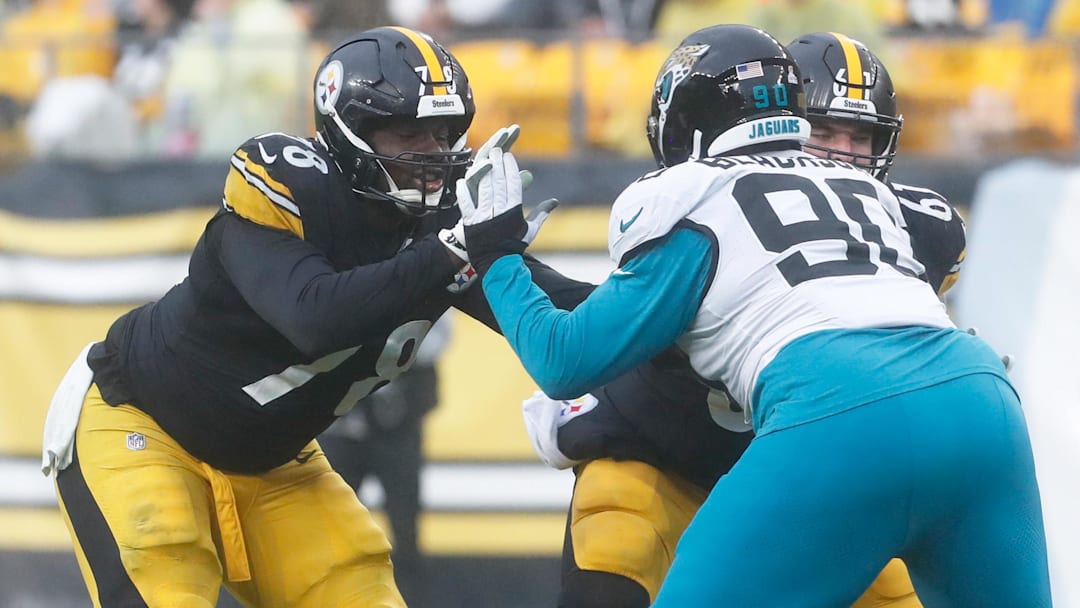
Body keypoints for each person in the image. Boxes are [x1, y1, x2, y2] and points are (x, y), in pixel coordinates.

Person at [457, 23, 1050, 606]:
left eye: (858, 136)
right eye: (827, 129)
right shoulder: (880, 201)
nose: (843, 150)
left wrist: (495, 254)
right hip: (980, 401)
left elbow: (565, 359)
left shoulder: (690, 198)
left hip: (834, 416)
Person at [40, 26, 587, 607]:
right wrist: (455, 247)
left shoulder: (441, 224)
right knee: (166, 575)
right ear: (352, 133)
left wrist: (670, 299)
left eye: (445, 133)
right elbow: (313, 315)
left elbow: (558, 311)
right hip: (142, 422)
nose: (435, 152)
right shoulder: (289, 183)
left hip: (271, 459)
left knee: (358, 587)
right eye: (410, 133)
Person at [318, 314, 453, 607]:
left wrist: (389, 345)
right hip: (341, 422)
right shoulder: (331, 272)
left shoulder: (421, 273)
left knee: (405, 532)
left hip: (398, 425)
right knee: (329, 532)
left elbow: (437, 338)